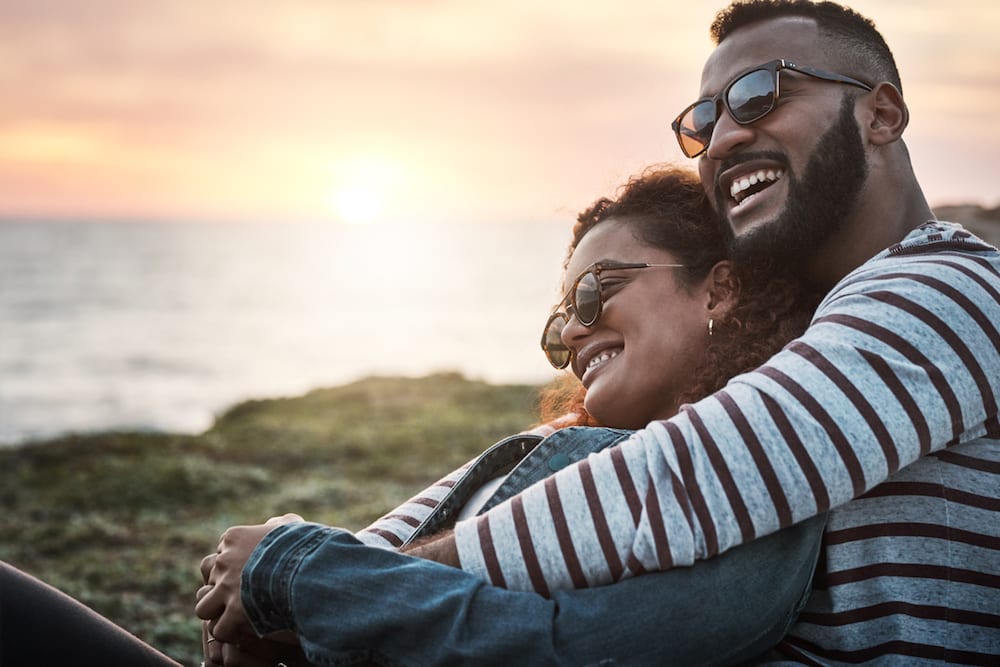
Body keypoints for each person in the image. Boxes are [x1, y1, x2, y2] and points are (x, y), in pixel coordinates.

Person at [199, 0, 1000, 664]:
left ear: (882, 112)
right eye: (702, 121)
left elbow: (690, 480)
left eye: (761, 93)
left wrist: (317, 585)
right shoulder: (814, 335)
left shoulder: (948, 288)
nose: (720, 139)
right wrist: (302, 578)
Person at [196, 166, 828, 666]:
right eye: (560, 323)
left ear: (717, 289)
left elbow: (570, 650)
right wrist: (277, 621)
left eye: (595, 291)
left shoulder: (754, 475)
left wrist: (301, 576)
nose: (576, 332)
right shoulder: (577, 451)